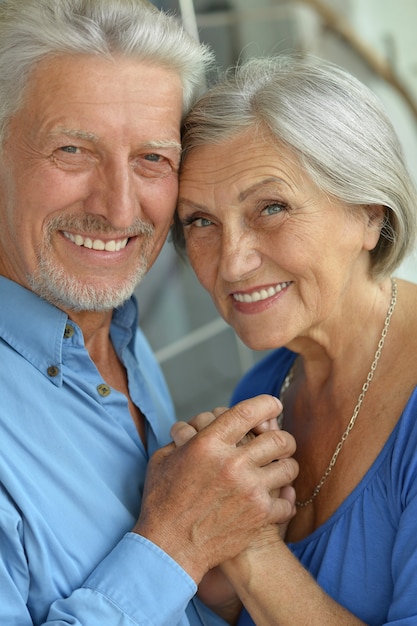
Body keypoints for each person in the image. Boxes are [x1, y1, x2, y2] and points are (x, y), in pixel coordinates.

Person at [0, 3, 300, 624]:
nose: (117, 210)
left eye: (152, 159)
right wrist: (177, 543)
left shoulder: (115, 330)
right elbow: (169, 553)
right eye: (72, 149)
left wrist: (213, 574)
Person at [174, 54, 417, 625]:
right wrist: (218, 578)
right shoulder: (266, 387)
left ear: (369, 214)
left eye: (272, 207)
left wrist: (250, 547)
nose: (232, 263)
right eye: (201, 221)